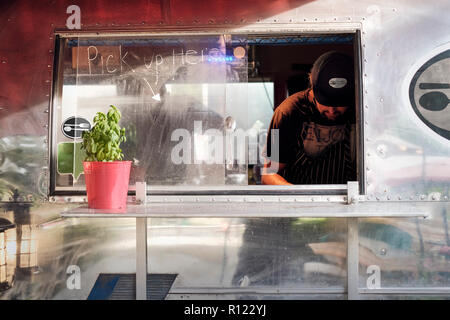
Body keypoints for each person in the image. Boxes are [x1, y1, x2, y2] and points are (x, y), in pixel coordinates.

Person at [262, 51, 356, 185]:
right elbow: (269, 174)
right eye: (325, 103)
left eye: (340, 104)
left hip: (347, 202)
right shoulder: (286, 113)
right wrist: (300, 198)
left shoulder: (361, 109)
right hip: (301, 202)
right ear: (312, 86)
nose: (331, 111)